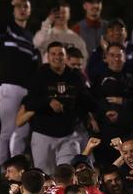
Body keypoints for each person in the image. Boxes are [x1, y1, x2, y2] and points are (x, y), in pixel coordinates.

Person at [24, 42, 98, 175]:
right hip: (43, 134)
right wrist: (48, 102)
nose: (57, 57)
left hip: (68, 135)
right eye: (53, 54)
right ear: (47, 56)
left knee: (68, 174)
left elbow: (88, 102)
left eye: (60, 54)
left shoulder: (75, 77)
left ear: (66, 57)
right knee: (45, 176)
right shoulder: (39, 75)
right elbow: (29, 103)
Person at [0, 0, 39, 163]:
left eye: (25, 7)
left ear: (30, 11)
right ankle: (1, 168)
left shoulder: (29, 36)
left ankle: (17, 169)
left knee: (21, 131)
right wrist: (11, 3)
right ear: (13, 10)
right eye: (18, 7)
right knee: (6, 131)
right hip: (9, 85)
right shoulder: (8, 28)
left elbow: (33, 66)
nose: (22, 9)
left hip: (25, 89)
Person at [86, 18, 133, 87]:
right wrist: (106, 53)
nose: (116, 32)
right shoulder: (98, 51)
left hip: (130, 93)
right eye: (112, 30)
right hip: (105, 93)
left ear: (126, 33)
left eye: (120, 29)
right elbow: (92, 76)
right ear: (106, 35)